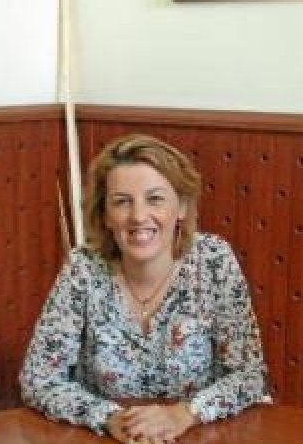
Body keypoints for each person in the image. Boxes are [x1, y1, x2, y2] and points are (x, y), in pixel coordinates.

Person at [20, 133, 269, 443]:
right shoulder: (82, 268)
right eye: (122, 202)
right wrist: (109, 417)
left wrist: (184, 414)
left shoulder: (214, 261)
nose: (138, 216)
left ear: (181, 207)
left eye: (155, 199)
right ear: (105, 215)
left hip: (198, 435)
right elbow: (37, 379)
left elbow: (249, 377)